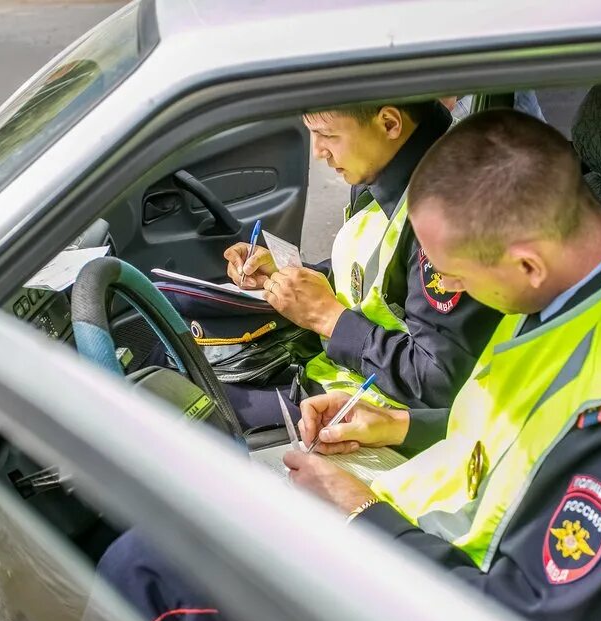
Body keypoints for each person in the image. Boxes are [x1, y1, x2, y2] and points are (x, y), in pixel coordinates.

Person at [86, 109, 601, 621]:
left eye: (456, 275)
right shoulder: (600, 273)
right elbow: (519, 431)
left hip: (438, 618)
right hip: (413, 540)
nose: (449, 291)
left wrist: (362, 515)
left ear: (525, 263)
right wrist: (397, 425)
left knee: (148, 576)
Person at [204, 101, 502, 431]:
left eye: (327, 135)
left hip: (380, 417)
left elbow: (437, 381)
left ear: (389, 124)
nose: (318, 151)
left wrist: (328, 317)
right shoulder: (385, 172)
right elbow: (375, 279)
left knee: (202, 410)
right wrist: (291, 275)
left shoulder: (444, 217)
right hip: (342, 382)